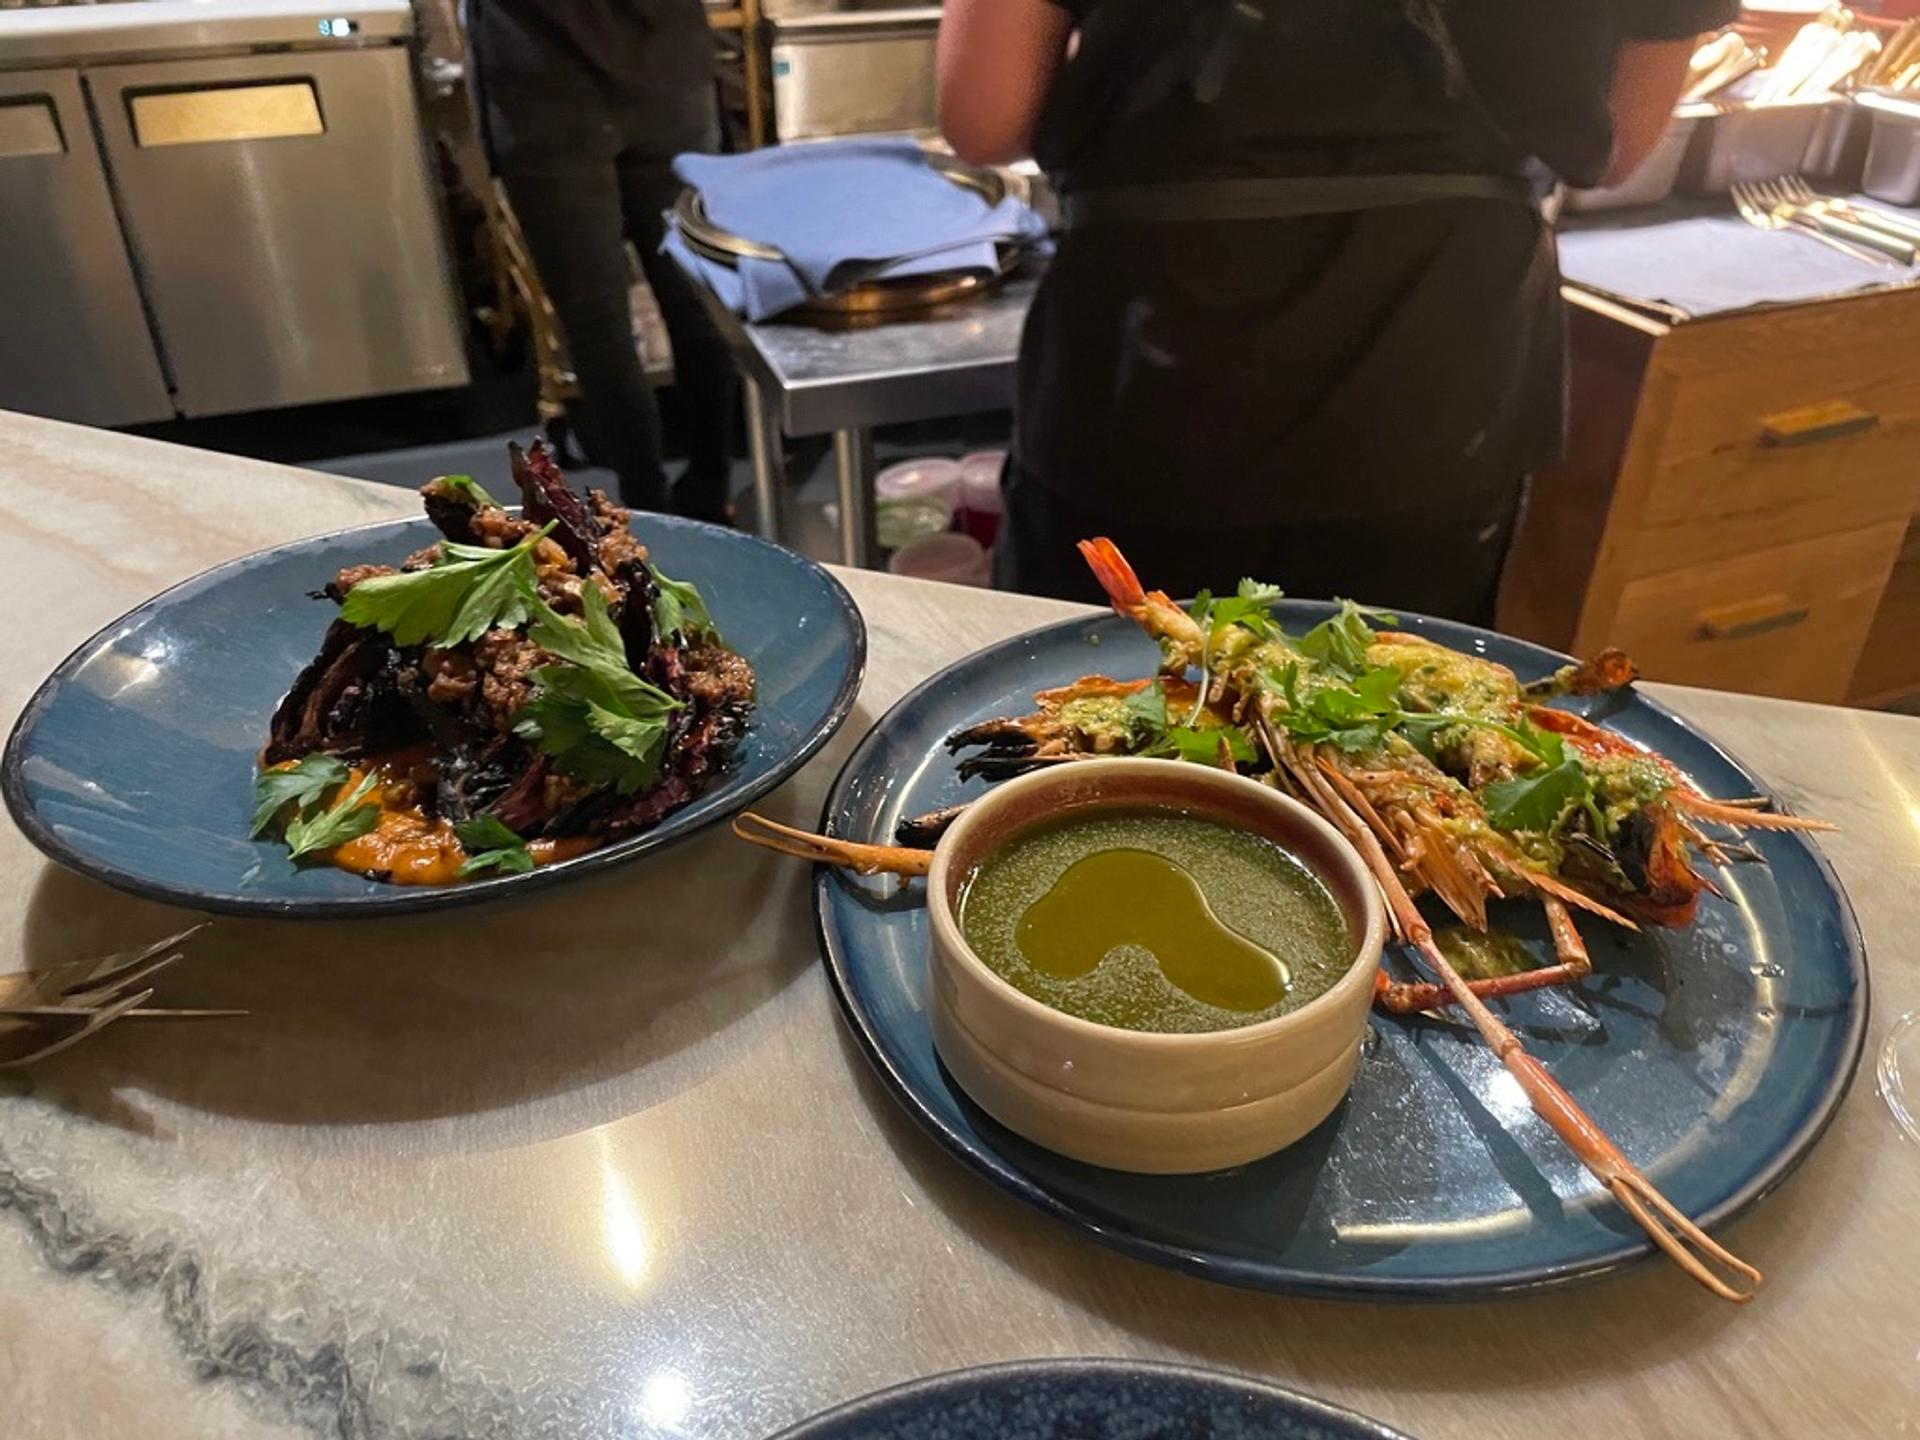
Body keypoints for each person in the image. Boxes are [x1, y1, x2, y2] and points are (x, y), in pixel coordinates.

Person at [937, 0, 1734, 620]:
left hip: (1152, 377)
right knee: (1378, 744)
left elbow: (984, 115)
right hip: (1437, 392)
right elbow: (1619, 143)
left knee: (1090, 724)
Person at [469, 0, 738, 521]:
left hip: (545, 94)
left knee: (597, 322)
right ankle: (711, 485)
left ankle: (646, 506)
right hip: (669, 75)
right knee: (695, 301)